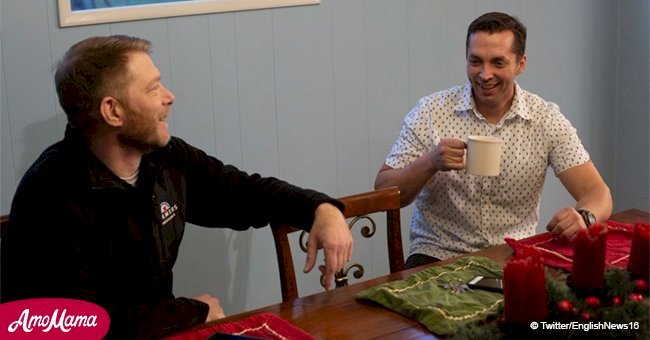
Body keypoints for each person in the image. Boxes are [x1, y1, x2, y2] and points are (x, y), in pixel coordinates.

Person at [1, 35, 353, 338]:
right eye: (153, 88)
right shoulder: (50, 193)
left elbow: (245, 193)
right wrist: (192, 311)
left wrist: (319, 208)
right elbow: (71, 325)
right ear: (112, 111)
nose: (169, 96)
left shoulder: (166, 158)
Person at [375, 12, 612, 269]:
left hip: (514, 253)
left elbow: (598, 193)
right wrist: (430, 162)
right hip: (438, 255)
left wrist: (585, 217)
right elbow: (383, 191)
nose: (485, 74)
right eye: (476, 61)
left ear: (521, 64)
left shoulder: (545, 119)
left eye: (498, 63)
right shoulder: (430, 111)